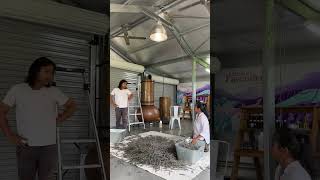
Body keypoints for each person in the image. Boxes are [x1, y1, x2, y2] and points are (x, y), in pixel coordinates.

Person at [0, 57, 76, 180]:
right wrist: (10, 135)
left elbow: (72, 105)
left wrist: (60, 119)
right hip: (26, 146)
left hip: (49, 146)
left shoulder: (53, 91)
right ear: (35, 71)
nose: (50, 76)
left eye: (52, 73)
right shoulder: (18, 89)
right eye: (46, 71)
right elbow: (1, 112)